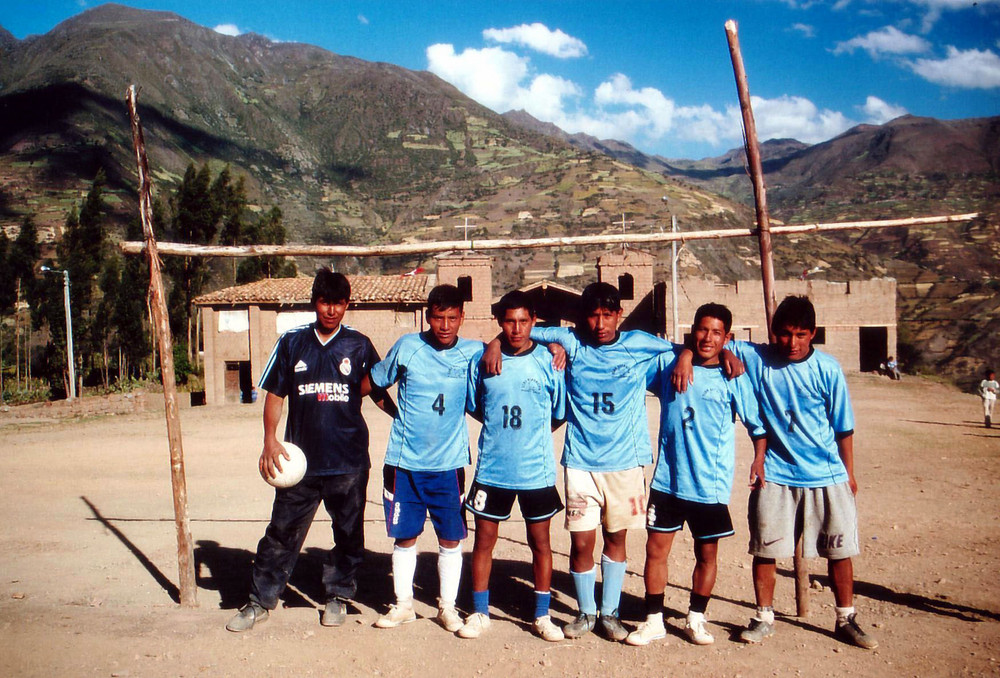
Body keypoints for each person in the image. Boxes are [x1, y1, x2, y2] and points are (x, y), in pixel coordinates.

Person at [484, 282, 742, 641]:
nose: (600, 323)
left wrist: (688, 354)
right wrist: (495, 343)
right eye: (593, 315)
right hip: (581, 462)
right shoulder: (571, 340)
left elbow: (693, 348)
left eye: (608, 315)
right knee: (581, 542)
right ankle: (586, 612)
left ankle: (610, 612)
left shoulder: (638, 343)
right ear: (581, 317)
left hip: (624, 463)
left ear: (619, 314)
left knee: (615, 538)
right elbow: (521, 332)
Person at [226, 268, 394, 632]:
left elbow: (373, 387)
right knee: (281, 532)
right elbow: (275, 394)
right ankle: (259, 601)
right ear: (314, 302)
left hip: (348, 460)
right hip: (298, 462)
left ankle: (338, 596)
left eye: (338, 303)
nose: (331, 310)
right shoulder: (292, 342)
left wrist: (401, 416)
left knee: (348, 533)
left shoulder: (359, 345)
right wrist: (270, 440)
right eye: (324, 302)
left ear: (347, 305)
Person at [729, 295, 878, 649]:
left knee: (839, 551)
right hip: (777, 473)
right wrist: (725, 354)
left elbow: (843, 427)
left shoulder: (827, 369)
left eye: (800, 335)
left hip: (826, 474)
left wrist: (849, 473)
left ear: (813, 333)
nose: (791, 343)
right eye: (783, 334)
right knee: (765, 549)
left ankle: (846, 617)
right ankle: (764, 616)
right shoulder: (759, 358)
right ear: (773, 332)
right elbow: (715, 340)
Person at [625, 303, 768, 647]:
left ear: (727, 337)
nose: (708, 338)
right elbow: (635, 343)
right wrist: (683, 353)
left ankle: (696, 618)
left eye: (717, 333)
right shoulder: (667, 365)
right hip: (669, 480)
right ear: (692, 332)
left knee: (707, 555)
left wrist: (759, 459)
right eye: (702, 330)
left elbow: (757, 426)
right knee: (656, 550)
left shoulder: (733, 376)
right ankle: (654, 620)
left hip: (710, 484)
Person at [370, 284, 484, 633]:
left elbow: (504, 351)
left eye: (452, 318)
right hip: (404, 463)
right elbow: (374, 382)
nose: (445, 325)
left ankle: (446, 607)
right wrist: (396, 414)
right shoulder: (408, 346)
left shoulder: (474, 351)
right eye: (438, 318)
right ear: (427, 317)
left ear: (462, 317)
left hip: (448, 466)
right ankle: (403, 604)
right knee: (405, 537)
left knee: (451, 538)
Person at [458, 291, 567, 642]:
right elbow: (475, 405)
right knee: (484, 542)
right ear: (499, 323)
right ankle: (479, 611)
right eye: (509, 321)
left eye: (523, 321)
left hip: (536, 470)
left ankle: (541, 615)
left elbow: (558, 413)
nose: (516, 329)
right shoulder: (484, 359)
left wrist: (532, 434)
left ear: (534, 321)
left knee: (541, 544)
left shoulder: (549, 362)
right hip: (493, 469)